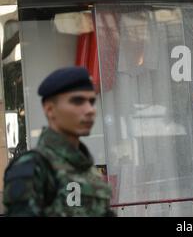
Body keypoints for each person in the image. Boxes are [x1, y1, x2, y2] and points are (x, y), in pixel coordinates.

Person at [3, 66, 114, 216]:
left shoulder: (89, 171)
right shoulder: (33, 167)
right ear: (50, 110)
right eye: (78, 101)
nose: (89, 110)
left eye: (91, 101)